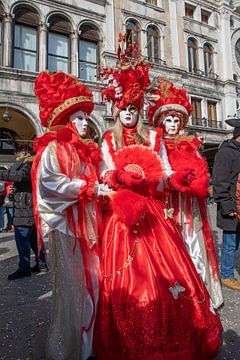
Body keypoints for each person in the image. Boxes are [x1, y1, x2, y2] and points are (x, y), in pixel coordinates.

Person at [93, 44, 222, 360]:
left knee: (170, 271)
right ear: (115, 111)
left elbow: (162, 173)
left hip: (152, 215)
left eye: (133, 109)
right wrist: (118, 179)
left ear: (138, 111)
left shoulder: (153, 139)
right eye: (123, 109)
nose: (128, 113)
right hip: (121, 217)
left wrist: (175, 181)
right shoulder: (108, 140)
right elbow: (103, 174)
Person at [32, 71, 109, 360]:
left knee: (93, 282)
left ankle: (88, 342)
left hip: (88, 228)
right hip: (67, 229)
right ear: (65, 121)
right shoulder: (54, 149)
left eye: (85, 118)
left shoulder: (87, 152)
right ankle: (70, 348)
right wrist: (89, 187)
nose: (84, 122)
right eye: (78, 118)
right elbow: (51, 185)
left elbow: (97, 180)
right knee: (73, 286)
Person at [148, 80, 223, 309]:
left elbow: (201, 175)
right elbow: (156, 174)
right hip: (168, 205)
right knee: (171, 249)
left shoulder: (190, 145)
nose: (172, 125)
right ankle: (177, 296)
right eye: (167, 120)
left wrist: (195, 180)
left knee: (194, 245)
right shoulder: (157, 146)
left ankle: (199, 290)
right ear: (162, 122)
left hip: (189, 207)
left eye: (175, 121)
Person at [0, 146, 47, 280]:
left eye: (17, 152)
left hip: (24, 209)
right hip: (27, 206)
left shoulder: (27, 164)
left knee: (22, 240)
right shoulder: (30, 164)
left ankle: (24, 268)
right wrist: (17, 188)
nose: (16, 155)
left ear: (25, 152)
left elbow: (21, 176)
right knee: (34, 240)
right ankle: (41, 264)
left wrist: (3, 174)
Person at [213, 123, 240, 290]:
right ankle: (226, 275)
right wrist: (228, 207)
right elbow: (219, 181)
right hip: (231, 207)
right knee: (230, 244)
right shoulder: (225, 152)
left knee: (237, 243)